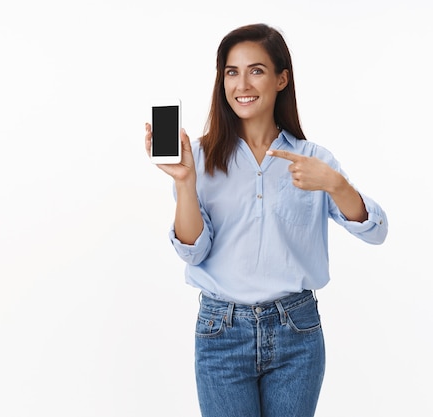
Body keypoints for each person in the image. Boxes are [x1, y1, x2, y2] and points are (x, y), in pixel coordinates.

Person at [144, 23, 388, 417]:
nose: (242, 83)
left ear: (281, 79)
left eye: (256, 70)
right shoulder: (201, 157)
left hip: (297, 332)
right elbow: (193, 252)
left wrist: (337, 185)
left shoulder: (313, 159)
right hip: (221, 332)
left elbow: (378, 233)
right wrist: (186, 182)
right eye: (231, 71)